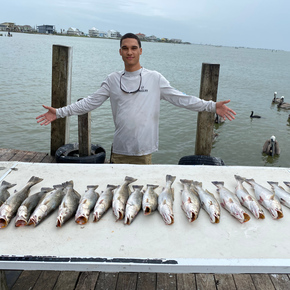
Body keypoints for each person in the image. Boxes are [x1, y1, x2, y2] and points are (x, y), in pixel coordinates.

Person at [36, 33, 236, 164]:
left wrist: (211, 106)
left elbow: (181, 99)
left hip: (144, 152)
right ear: (120, 52)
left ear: (140, 50)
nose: (129, 52)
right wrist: (59, 112)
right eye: (125, 48)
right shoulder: (112, 80)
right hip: (120, 150)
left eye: (133, 48)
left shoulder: (155, 78)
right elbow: (90, 102)